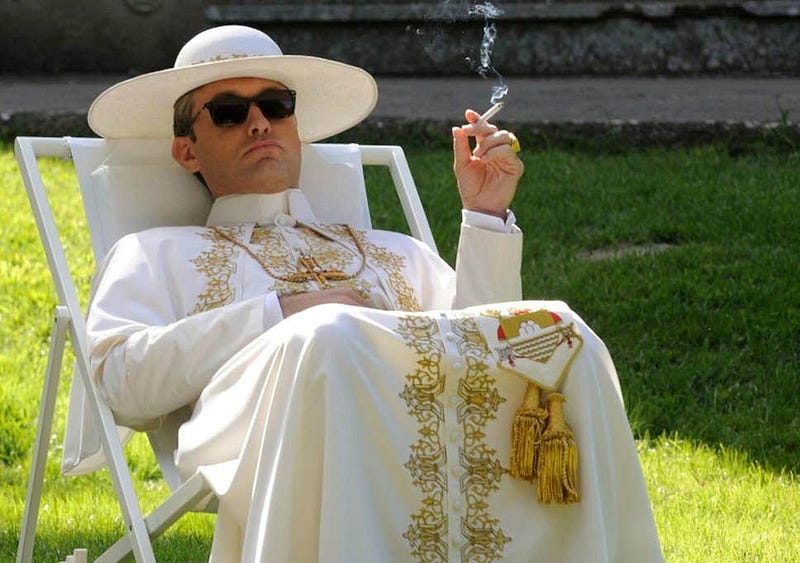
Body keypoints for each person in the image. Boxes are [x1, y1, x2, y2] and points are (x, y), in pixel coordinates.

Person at [82, 25, 662, 562]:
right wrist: (281, 313)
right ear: (187, 150)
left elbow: (481, 339)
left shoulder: (393, 248)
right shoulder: (155, 252)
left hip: (425, 428)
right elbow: (122, 379)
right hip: (256, 433)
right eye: (229, 113)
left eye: (276, 106)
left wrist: (485, 215)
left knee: (561, 331)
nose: (259, 124)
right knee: (326, 335)